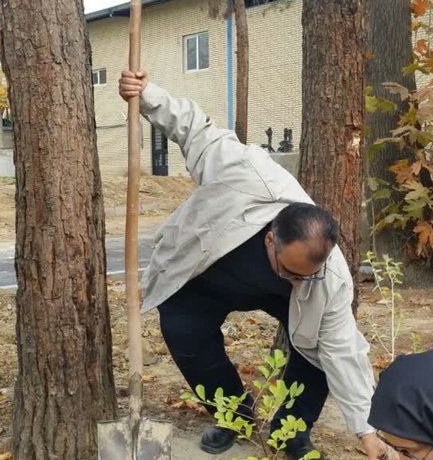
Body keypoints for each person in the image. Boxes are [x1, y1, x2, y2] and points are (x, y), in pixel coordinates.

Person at [118, 70, 386, 460]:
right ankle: (234, 416)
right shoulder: (246, 177)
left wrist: (365, 429)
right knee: (186, 337)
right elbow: (196, 130)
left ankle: (290, 431)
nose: (300, 282)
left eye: (306, 276)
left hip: (268, 293)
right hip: (204, 278)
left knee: (317, 354)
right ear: (271, 237)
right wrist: (147, 95)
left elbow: (344, 350)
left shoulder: (329, 278)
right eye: (291, 271)